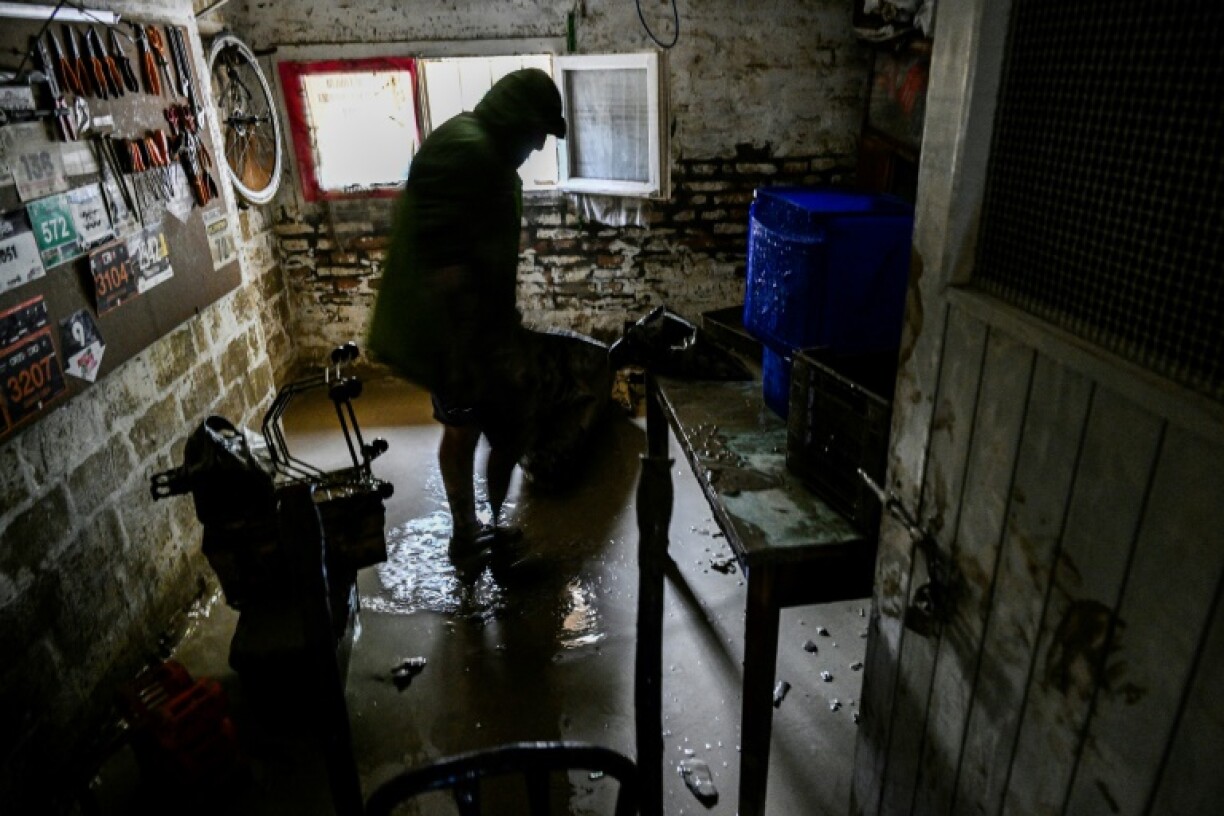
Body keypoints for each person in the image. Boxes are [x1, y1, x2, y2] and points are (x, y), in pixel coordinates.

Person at [367, 68, 566, 567]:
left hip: (478, 327)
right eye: (538, 131)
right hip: (454, 332)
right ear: (517, 119)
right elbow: (442, 258)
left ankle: (488, 528)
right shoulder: (467, 149)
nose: (540, 144)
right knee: (465, 428)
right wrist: (466, 350)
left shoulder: (487, 153)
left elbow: (485, 251)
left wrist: (502, 324)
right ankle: (468, 533)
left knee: (500, 426)